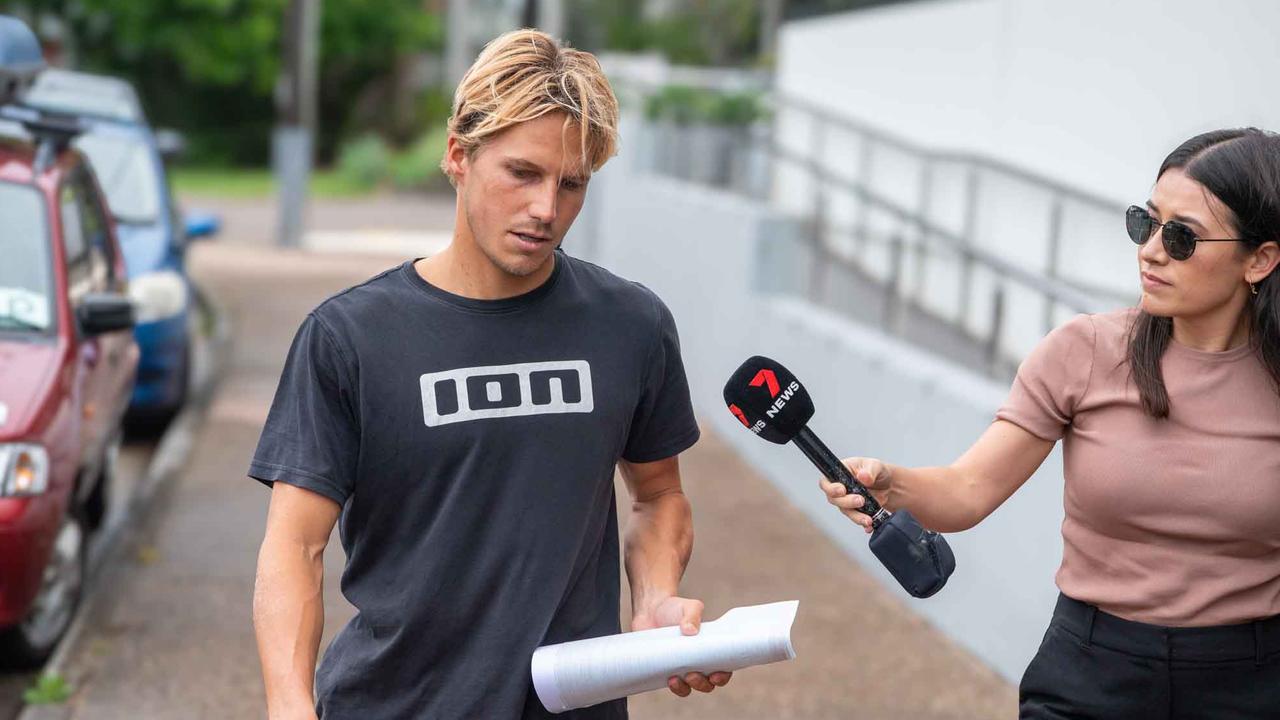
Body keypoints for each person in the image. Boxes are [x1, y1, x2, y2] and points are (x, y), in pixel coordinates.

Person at [250, 29, 730, 719]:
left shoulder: (631, 325)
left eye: (572, 185)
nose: (546, 209)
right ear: (458, 157)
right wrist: (290, 706)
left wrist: (653, 601)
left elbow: (658, 496)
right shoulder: (349, 338)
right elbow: (295, 544)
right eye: (522, 173)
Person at [821, 128, 1280, 718]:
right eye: (1146, 222)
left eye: (1182, 237)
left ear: (1260, 259)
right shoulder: (1083, 351)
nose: (1151, 250)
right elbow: (969, 490)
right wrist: (890, 484)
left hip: (1254, 685)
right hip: (1092, 671)